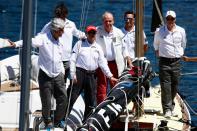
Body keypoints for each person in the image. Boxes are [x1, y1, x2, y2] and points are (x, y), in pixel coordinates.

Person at [14, 18, 68, 128]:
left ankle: (58, 120)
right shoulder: (43, 38)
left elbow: (59, 57)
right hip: (45, 75)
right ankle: (47, 120)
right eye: (61, 30)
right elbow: (30, 41)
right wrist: (15, 44)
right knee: (46, 101)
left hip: (58, 74)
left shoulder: (60, 39)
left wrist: (62, 71)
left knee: (63, 98)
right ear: (55, 30)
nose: (63, 32)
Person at [69, 25, 118, 120]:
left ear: (96, 34)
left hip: (92, 76)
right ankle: (63, 118)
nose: (92, 35)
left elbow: (103, 63)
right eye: (90, 33)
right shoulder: (79, 44)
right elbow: (72, 59)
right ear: (86, 34)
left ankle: (86, 120)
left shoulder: (98, 47)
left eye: (94, 33)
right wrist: (72, 74)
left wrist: (110, 76)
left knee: (91, 100)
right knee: (72, 97)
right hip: (79, 74)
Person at [40, 2, 85, 84]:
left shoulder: (71, 24)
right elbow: (40, 36)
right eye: (58, 16)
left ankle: (59, 96)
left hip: (67, 59)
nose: (59, 18)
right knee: (57, 83)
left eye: (61, 16)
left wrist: (88, 36)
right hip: (54, 59)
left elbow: (78, 34)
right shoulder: (50, 25)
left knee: (62, 82)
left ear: (66, 15)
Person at [153, 10, 186, 118]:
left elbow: (183, 44)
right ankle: (167, 109)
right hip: (164, 62)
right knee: (165, 86)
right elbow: (156, 44)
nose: (170, 21)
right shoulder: (159, 31)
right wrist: (159, 52)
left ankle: (171, 106)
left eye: (172, 19)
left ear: (175, 19)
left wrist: (180, 54)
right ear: (165, 19)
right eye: (168, 19)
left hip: (176, 62)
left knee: (174, 86)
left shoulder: (181, 31)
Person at [96, 11, 125, 104]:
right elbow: (87, 38)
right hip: (102, 63)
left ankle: (116, 105)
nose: (108, 23)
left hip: (115, 63)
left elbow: (124, 48)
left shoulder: (118, 32)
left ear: (113, 21)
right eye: (106, 21)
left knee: (116, 85)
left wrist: (128, 60)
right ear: (102, 21)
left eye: (110, 21)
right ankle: (101, 106)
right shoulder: (97, 31)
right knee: (102, 86)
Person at [121, 11, 150, 97]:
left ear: (134, 20)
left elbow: (145, 45)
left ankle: (139, 104)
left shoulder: (139, 31)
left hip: (136, 61)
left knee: (138, 85)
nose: (128, 21)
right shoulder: (120, 32)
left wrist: (140, 56)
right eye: (126, 19)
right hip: (124, 63)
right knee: (127, 84)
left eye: (130, 19)